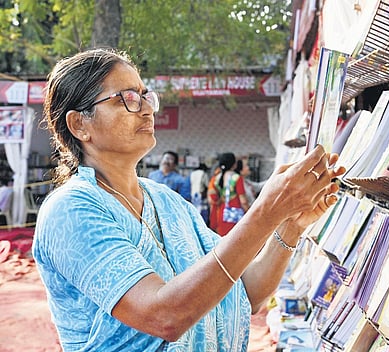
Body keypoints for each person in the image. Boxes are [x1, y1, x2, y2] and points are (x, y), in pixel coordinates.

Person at [32, 48, 345, 352]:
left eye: (145, 96)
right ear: (79, 125)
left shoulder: (167, 202)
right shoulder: (70, 210)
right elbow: (164, 316)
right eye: (126, 98)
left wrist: (289, 225)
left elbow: (245, 293)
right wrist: (265, 212)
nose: (146, 108)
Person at [208, 153, 250, 236]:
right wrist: (250, 212)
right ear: (234, 165)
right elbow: (243, 201)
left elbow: (212, 199)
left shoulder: (215, 178)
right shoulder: (237, 178)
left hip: (221, 214)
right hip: (235, 215)